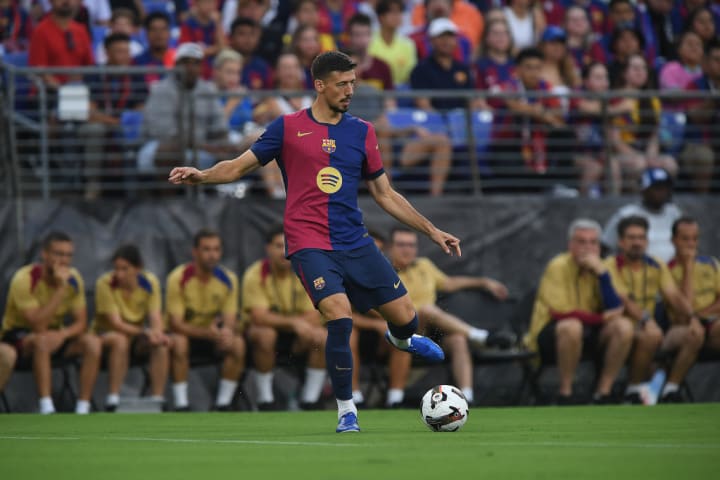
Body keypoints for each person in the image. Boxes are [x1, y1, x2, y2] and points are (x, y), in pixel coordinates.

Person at [169, 50, 461, 433]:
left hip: (354, 242)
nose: (350, 90)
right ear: (320, 85)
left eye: (353, 83)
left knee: (408, 319)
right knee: (339, 317)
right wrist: (202, 175)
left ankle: (402, 340)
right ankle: (346, 410)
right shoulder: (287, 128)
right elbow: (240, 165)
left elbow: (385, 194)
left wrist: (431, 230)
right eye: (342, 84)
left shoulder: (362, 131)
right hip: (309, 242)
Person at [382, 226, 514, 407]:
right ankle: (482, 337)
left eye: (411, 245)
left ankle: (467, 399)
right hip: (395, 334)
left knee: (458, 339)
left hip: (432, 332)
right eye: (401, 244)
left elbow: (448, 283)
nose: (407, 249)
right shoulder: (382, 271)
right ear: (390, 247)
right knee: (425, 310)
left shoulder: (424, 266)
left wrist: (483, 282)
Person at [524, 219, 633, 404]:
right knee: (571, 326)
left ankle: (603, 392)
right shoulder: (558, 265)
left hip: (590, 334)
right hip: (552, 336)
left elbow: (616, 309)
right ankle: (566, 393)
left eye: (593, 242)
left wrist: (603, 277)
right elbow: (559, 313)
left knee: (624, 326)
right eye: (581, 242)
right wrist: (600, 318)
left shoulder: (604, 267)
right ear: (571, 245)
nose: (587, 248)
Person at [0, 231, 101, 414]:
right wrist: (61, 289)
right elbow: (37, 325)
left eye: (68, 255)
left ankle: (83, 408)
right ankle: (47, 407)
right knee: (42, 340)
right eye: (58, 254)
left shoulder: (74, 277)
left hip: (56, 334)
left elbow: (81, 323)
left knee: (92, 342)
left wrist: (62, 335)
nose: (64, 260)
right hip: (20, 336)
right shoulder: (24, 279)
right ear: (44, 254)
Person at [604, 215, 696, 404]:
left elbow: (674, 296)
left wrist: (692, 315)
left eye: (641, 237)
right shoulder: (610, 265)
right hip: (616, 330)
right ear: (621, 242)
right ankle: (633, 390)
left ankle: (671, 390)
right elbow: (624, 301)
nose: (637, 243)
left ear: (647, 241)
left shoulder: (656, 264)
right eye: (631, 238)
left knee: (694, 332)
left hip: (650, 330)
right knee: (647, 334)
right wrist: (648, 321)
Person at [242, 225, 327, 410]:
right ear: (267, 248)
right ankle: (265, 400)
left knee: (322, 335)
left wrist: (298, 325)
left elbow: (313, 314)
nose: (284, 252)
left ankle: (310, 400)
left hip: (299, 339)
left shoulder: (306, 271)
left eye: (288, 246)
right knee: (266, 334)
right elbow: (258, 317)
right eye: (278, 246)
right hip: (263, 340)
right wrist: (294, 323)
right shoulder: (255, 274)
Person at [165, 229, 246, 411]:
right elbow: (175, 324)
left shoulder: (228, 279)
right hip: (187, 336)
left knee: (237, 343)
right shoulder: (178, 278)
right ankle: (181, 405)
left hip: (213, 338)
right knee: (179, 342)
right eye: (206, 249)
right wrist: (206, 333)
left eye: (216, 249)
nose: (212, 255)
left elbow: (230, 318)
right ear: (195, 252)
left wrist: (226, 331)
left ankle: (223, 404)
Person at [137, 42, 241, 179]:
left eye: (196, 63)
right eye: (186, 63)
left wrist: (223, 144)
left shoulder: (207, 90)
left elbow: (219, 127)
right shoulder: (160, 90)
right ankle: (168, 198)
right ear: (176, 65)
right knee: (168, 152)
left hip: (201, 146)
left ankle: (220, 195)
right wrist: (206, 146)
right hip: (157, 146)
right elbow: (165, 134)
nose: (190, 68)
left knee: (236, 147)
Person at [91, 244, 169, 411]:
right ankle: (113, 400)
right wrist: (146, 332)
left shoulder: (150, 282)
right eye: (116, 269)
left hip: (135, 337)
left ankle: (157, 400)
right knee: (120, 341)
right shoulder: (104, 284)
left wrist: (157, 335)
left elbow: (155, 316)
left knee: (160, 345)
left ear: (138, 268)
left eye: (125, 269)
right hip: (106, 336)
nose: (119, 274)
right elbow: (115, 323)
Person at [662, 217, 719, 401]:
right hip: (679, 328)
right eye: (685, 239)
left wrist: (701, 315)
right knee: (694, 332)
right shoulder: (666, 270)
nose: (691, 244)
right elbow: (683, 310)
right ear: (673, 240)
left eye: (694, 239)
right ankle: (671, 390)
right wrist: (687, 267)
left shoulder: (711, 264)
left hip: (710, 323)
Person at [602, 167, 682, 263]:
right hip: (636, 272)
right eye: (657, 188)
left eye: (665, 188)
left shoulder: (674, 213)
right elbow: (605, 246)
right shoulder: (626, 214)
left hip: (671, 273)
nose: (662, 192)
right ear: (644, 190)